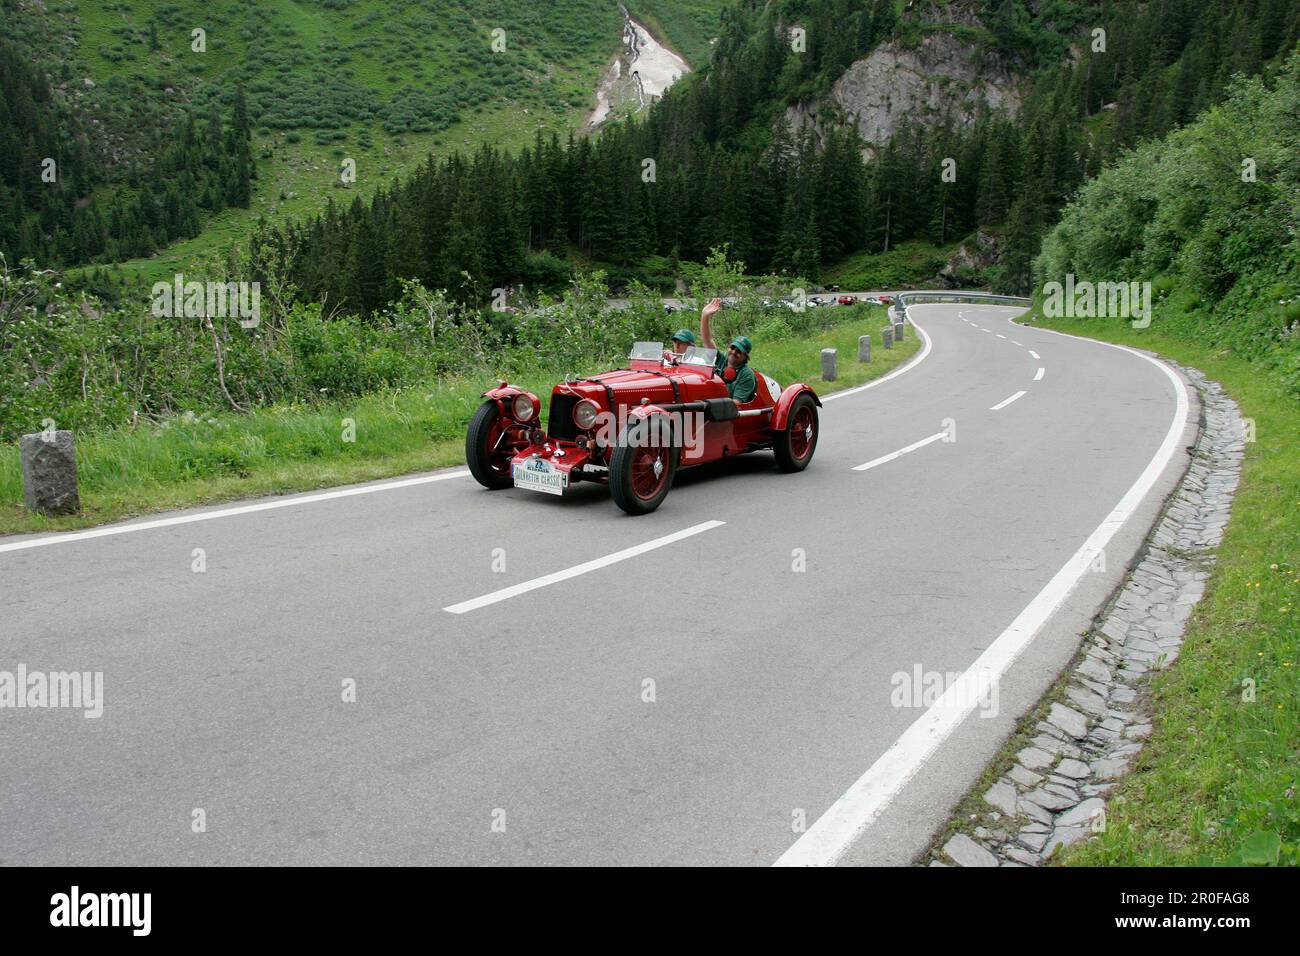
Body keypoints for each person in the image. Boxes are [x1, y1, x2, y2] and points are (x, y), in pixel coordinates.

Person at [699, 297, 757, 403]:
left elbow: (736, 404)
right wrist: (704, 315)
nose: (734, 352)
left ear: (745, 357)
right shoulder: (721, 360)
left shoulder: (746, 375)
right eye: (733, 347)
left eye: (739, 351)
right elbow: (708, 340)